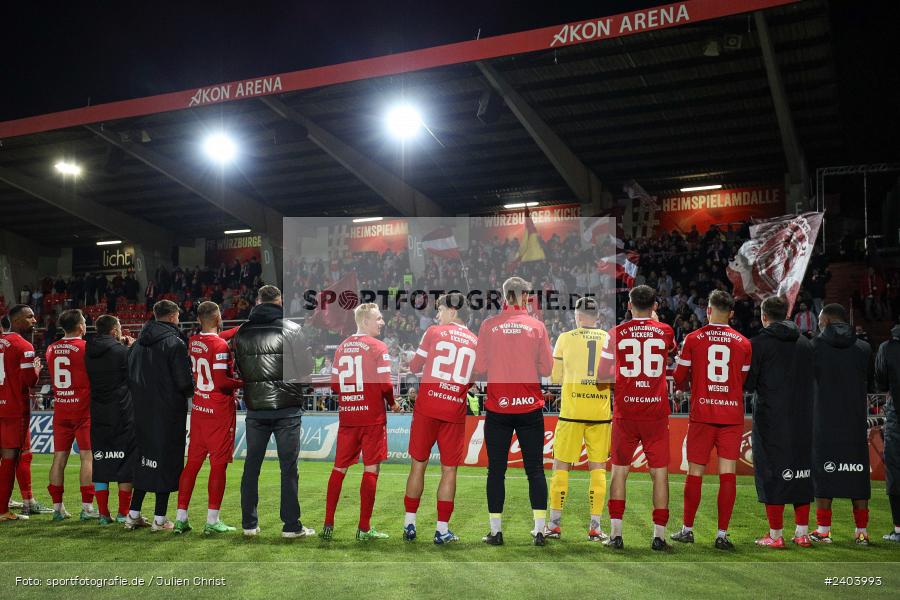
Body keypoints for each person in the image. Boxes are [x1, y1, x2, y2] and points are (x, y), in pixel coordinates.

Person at [473, 276, 554, 546]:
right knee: (535, 471)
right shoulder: (537, 327)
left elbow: (480, 367)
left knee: (496, 471)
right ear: (526, 297)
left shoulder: (488, 326)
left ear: (504, 295)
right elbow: (546, 369)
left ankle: (496, 532)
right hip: (529, 408)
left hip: (499, 407)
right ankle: (540, 531)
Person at [671, 290, 752, 550]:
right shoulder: (743, 342)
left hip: (703, 413)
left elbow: (680, 376)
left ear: (708, 310)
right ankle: (721, 534)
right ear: (731, 313)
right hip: (731, 415)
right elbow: (743, 379)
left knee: (696, 472)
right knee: (727, 474)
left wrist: (691, 385)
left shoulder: (694, 339)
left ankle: (687, 529)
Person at [233, 285, 314, 538]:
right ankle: (291, 526)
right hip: (287, 409)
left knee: (251, 467)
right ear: (279, 301)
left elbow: (240, 368)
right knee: (288, 468)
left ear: (258, 301)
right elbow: (305, 369)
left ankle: (249, 524)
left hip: (256, 409)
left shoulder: (242, 331)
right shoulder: (291, 329)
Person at [600, 285, 676, 551]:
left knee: (619, 472)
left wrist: (622, 387)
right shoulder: (665, 330)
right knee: (660, 475)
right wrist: (654, 322)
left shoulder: (616, 333)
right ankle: (659, 537)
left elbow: (601, 379)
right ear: (655, 305)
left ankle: (616, 535)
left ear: (629, 305)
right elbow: (669, 348)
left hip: (625, 412)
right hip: (655, 413)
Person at [402, 293, 478, 544]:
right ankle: (442, 530)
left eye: (440, 309)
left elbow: (414, 367)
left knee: (418, 465)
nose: (436, 315)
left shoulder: (434, 332)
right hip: (453, 410)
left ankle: (409, 525)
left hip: (427, 407)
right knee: (449, 470)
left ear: (453, 311)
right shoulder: (476, 341)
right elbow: (474, 378)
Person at [322, 303, 400, 541]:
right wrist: (393, 403)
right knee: (371, 469)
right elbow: (386, 385)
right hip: (372, 418)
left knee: (339, 469)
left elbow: (335, 386)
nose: (382, 322)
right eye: (378, 318)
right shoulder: (378, 346)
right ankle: (364, 528)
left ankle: (328, 524)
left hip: (348, 417)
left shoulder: (342, 347)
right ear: (365, 321)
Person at [744, 296, 815, 548]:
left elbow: (749, 383)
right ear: (787, 314)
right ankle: (802, 533)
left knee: (771, 473)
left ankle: (775, 536)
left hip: (771, 418)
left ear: (764, 316)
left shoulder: (758, 344)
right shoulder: (807, 344)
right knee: (802, 471)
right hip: (804, 417)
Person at [544, 297, 611, 543]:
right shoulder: (607, 339)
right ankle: (595, 527)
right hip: (600, 413)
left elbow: (554, 378)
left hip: (572, 412)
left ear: (579, 316)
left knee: (561, 466)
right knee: (598, 468)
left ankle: (554, 525)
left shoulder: (565, 338)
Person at [125, 299, 194, 531]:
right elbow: (184, 382)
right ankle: (159, 519)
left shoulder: (136, 345)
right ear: (174, 316)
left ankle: (133, 514)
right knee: (166, 462)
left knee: (145, 461)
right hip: (167, 413)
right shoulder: (175, 343)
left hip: (140, 411)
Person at [175, 301, 242, 535]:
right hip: (219, 413)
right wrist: (246, 382)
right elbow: (223, 382)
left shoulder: (194, 341)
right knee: (218, 465)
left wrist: (240, 328)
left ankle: (180, 517)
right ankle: (212, 520)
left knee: (192, 464)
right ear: (218, 317)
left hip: (199, 410)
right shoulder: (221, 346)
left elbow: (216, 339)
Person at [810, 303, 872, 545]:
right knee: (857, 475)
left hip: (824, 420)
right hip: (854, 421)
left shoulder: (814, 347)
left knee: (824, 474)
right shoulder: (864, 348)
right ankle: (862, 532)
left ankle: (824, 530)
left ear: (825, 321)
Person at [85, 315, 138, 524]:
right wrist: (130, 349)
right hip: (122, 412)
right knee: (125, 463)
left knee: (101, 461)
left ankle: (103, 514)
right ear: (115, 331)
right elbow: (133, 376)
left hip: (98, 412)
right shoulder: (121, 351)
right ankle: (123, 512)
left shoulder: (88, 350)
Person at [46, 309, 97, 521]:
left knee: (59, 458)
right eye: (84, 322)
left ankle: (57, 508)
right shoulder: (86, 348)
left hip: (61, 410)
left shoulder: (50, 349)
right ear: (80, 326)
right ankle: (87, 508)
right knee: (87, 457)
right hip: (83, 410)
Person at [0, 305, 43, 522]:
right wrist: (36, 369)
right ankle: (3, 511)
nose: (34, 320)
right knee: (10, 459)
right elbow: (29, 381)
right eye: (30, 317)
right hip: (13, 410)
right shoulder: (24, 346)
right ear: (16, 321)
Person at [875, 322, 900, 543]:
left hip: (897, 418)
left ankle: (899, 529)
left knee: (896, 472)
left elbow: (881, 382)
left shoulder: (888, 348)